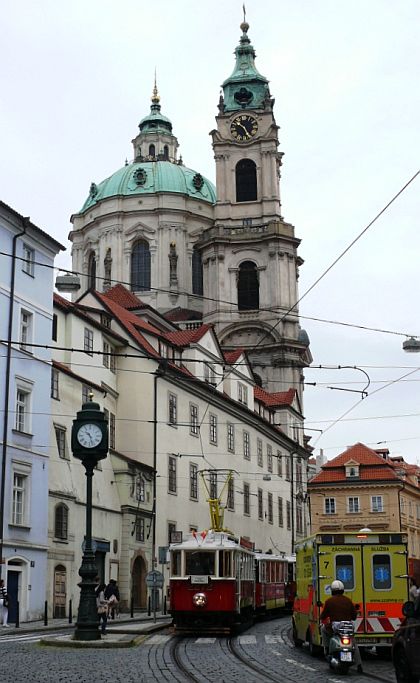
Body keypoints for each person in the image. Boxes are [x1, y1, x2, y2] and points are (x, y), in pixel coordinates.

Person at [320, 579, 362, 673]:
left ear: (332, 591)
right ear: (342, 590)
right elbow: (354, 617)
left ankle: (327, 649)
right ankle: (359, 665)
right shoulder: (348, 601)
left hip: (336, 627)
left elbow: (323, 616)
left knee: (323, 629)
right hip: (348, 627)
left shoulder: (329, 601)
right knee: (353, 643)